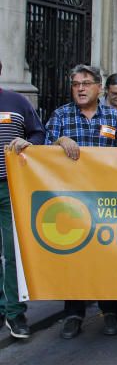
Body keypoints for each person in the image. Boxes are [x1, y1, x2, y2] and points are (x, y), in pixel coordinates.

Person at [44, 65, 117, 339]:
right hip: (70, 201)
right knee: (75, 256)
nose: (80, 88)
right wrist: (59, 140)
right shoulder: (60, 116)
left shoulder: (113, 118)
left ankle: (110, 311)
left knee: (107, 256)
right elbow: (42, 153)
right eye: (75, 84)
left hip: (105, 200)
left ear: (99, 88)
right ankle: (73, 314)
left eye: (86, 83)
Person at [1, 59, 46, 339]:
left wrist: (28, 144)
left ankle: (15, 313)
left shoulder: (17, 102)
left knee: (10, 252)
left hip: (9, 187)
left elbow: (38, 133)